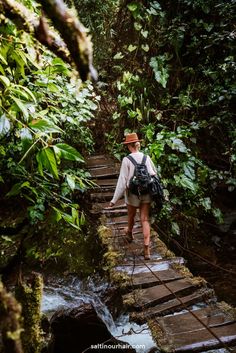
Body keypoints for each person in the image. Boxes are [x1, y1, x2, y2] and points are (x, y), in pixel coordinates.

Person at [109, 132, 157, 260]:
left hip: (132, 193)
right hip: (146, 191)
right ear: (138, 144)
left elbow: (122, 181)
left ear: (129, 146)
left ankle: (129, 234)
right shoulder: (147, 158)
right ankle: (147, 249)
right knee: (145, 219)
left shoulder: (126, 160)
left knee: (131, 215)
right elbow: (154, 174)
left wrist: (114, 200)